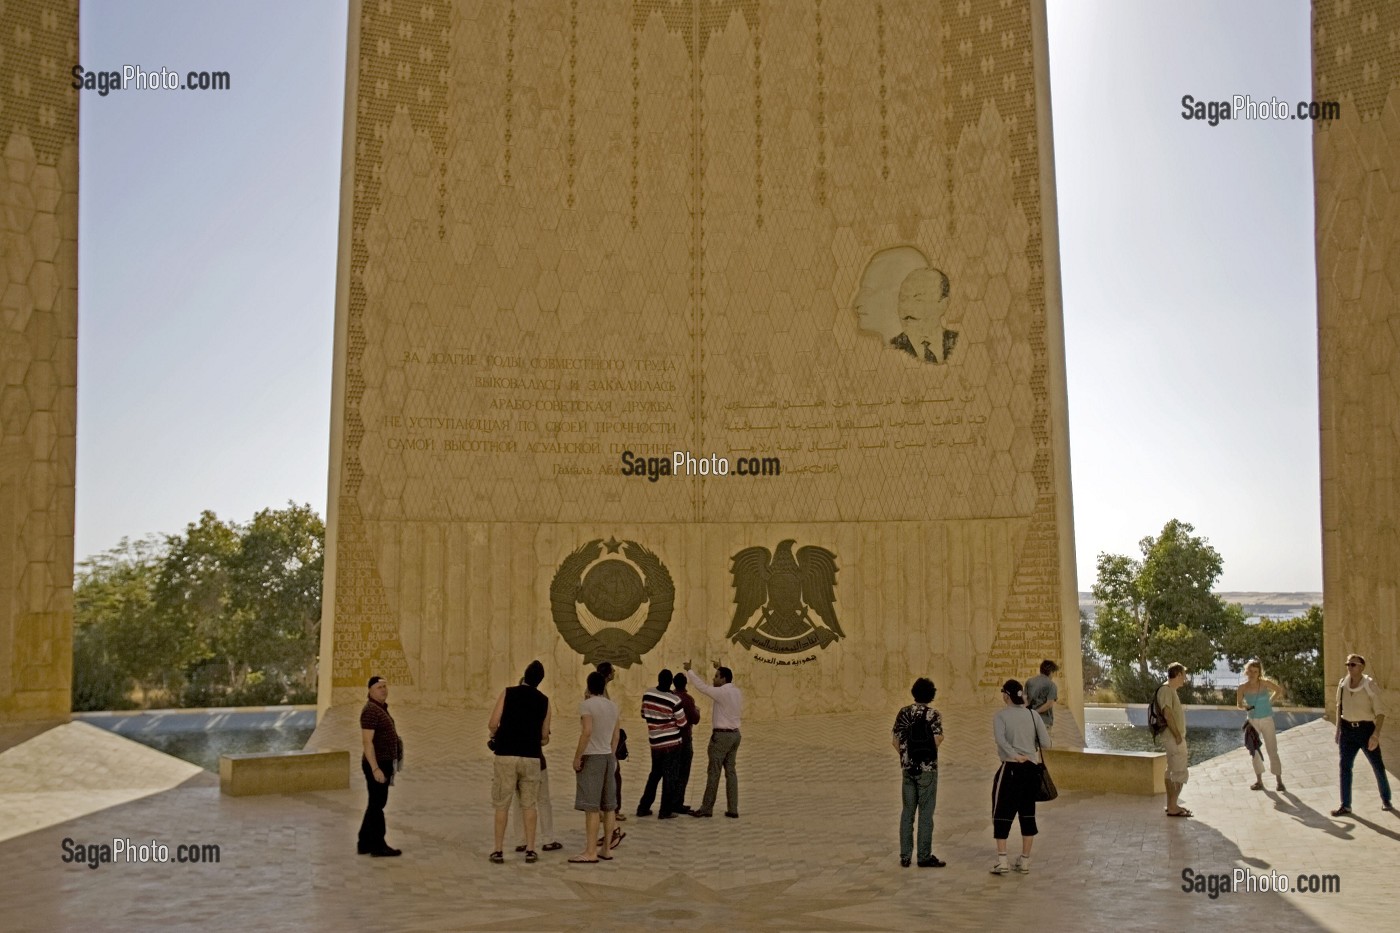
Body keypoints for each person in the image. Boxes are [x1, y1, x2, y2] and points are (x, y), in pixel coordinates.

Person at [487, 660, 551, 863]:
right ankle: (530, 849)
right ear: (540, 680)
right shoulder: (544, 701)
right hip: (531, 757)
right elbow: (544, 736)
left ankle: (498, 850)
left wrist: (497, 734)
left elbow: (492, 723)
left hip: (506, 755)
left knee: (502, 805)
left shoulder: (508, 693)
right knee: (529, 805)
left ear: (524, 675)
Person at [990, 679, 1051, 875]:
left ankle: (1002, 861)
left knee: (1002, 813)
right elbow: (1046, 743)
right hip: (1031, 770)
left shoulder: (1001, 716)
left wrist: (1014, 755)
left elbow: (1001, 740)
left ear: (1006, 696)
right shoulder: (1033, 715)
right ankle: (1024, 861)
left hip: (1010, 769)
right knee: (1027, 814)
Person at [892, 677, 945, 868]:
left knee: (907, 812)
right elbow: (937, 739)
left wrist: (907, 757)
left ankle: (905, 856)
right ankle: (924, 856)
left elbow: (895, 741)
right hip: (927, 770)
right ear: (931, 695)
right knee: (925, 813)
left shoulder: (903, 712)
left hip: (908, 769)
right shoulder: (933, 714)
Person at [1331, 654, 1392, 817]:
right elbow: (1339, 707)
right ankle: (1345, 805)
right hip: (1347, 730)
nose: (1349, 667)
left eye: (1353, 665)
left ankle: (1386, 799)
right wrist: (1338, 730)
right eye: (1348, 665)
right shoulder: (1342, 684)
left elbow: (1380, 713)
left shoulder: (1369, 685)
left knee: (1377, 765)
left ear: (1361, 667)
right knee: (1345, 766)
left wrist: (1375, 734)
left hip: (1366, 730)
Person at [571, 670, 621, 863]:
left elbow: (587, 731)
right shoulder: (613, 706)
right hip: (608, 756)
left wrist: (578, 756)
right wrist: (612, 755)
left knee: (592, 807)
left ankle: (590, 851)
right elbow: (616, 735)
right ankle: (606, 849)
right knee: (609, 806)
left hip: (592, 757)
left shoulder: (587, 705)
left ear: (588, 686)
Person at [684, 659, 744, 818]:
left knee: (714, 772)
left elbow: (702, 687)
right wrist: (720, 667)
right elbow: (726, 680)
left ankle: (706, 808)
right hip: (735, 735)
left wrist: (689, 671)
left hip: (722, 737)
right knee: (731, 772)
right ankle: (733, 809)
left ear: (723, 679)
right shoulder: (736, 691)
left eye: (717, 676)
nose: (713, 678)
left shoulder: (721, 692)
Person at [358, 675, 404, 857]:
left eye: (385, 686)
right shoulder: (370, 710)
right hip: (376, 764)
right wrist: (375, 768)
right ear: (370, 691)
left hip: (384, 763)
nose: (383, 690)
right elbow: (367, 742)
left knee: (374, 804)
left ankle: (364, 843)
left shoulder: (380, 708)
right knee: (377, 806)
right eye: (379, 687)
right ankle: (378, 846)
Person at [636, 669, 688, 818]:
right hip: (672, 743)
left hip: (655, 743)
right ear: (671, 682)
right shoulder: (674, 700)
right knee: (670, 778)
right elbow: (682, 723)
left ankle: (643, 807)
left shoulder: (648, 694)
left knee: (655, 775)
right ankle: (665, 811)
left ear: (658, 679)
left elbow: (643, 714)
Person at [1236, 659, 1285, 792]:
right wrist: (1245, 707)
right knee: (1255, 751)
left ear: (1259, 673)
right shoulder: (1242, 687)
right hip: (1252, 722)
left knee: (1272, 750)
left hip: (1267, 719)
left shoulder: (1264, 683)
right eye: (1250, 671)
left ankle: (1279, 781)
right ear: (1246, 671)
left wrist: (1270, 701)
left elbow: (1278, 690)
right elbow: (1239, 704)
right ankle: (1259, 781)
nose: (1252, 674)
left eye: (1255, 671)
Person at [1156, 663, 1191, 817]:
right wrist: (1177, 735)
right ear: (1178, 674)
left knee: (1171, 771)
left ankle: (1171, 805)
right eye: (1184, 675)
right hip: (1174, 738)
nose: (1185, 678)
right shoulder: (1166, 690)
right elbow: (1167, 714)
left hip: (1172, 738)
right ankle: (1172, 806)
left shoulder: (1170, 690)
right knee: (1179, 772)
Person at [511, 754, 561, 854]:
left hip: (516, 763)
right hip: (536, 760)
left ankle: (521, 841)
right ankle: (548, 839)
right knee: (543, 800)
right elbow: (543, 743)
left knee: (519, 802)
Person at [672, 672, 701, 812]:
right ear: (685, 684)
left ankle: (669, 802)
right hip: (684, 739)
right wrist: (697, 711)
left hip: (670, 739)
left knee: (672, 772)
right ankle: (678, 803)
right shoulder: (688, 699)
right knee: (683, 772)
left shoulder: (670, 697)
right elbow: (695, 719)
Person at [1025, 660, 1059, 730]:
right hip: (1044, 721)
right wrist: (1036, 712)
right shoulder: (1051, 685)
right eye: (1053, 673)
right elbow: (1049, 704)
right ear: (1051, 672)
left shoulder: (1029, 681)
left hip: (1030, 720)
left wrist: (1030, 714)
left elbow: (1024, 700)